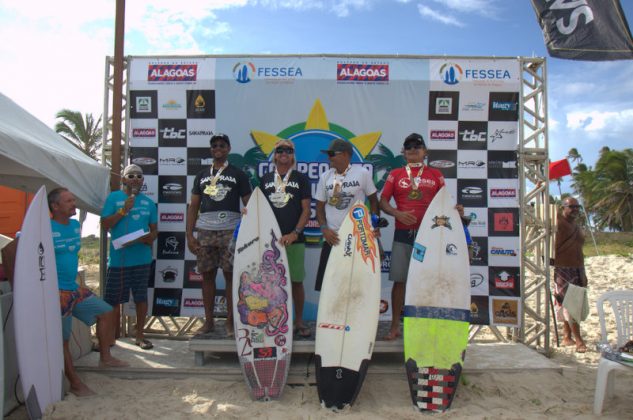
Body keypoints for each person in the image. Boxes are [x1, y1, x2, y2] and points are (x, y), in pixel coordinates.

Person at [379, 133, 464, 340]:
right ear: (403, 151)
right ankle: (394, 327)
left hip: (430, 236)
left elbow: (445, 201)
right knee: (400, 281)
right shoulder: (396, 174)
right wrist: (397, 213)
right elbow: (382, 201)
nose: (413, 149)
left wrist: (456, 210)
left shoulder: (435, 174)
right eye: (408, 146)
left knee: (429, 281)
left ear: (425, 152)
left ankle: (427, 325)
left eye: (418, 146)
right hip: (403, 234)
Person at [48, 187, 129, 397]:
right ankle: (75, 383)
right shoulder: (44, 227)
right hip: (56, 292)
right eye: (68, 201)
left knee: (106, 311)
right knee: (62, 340)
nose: (74, 204)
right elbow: (13, 249)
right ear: (55, 206)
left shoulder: (75, 225)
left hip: (73, 288)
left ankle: (105, 358)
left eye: (74, 199)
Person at [187, 133, 251, 336]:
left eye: (222, 145)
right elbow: (194, 206)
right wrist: (189, 235)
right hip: (205, 231)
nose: (218, 148)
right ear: (211, 150)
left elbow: (249, 205)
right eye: (214, 145)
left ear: (228, 149)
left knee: (231, 277)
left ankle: (231, 322)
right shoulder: (201, 175)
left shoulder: (239, 174)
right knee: (207, 276)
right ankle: (209, 322)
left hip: (230, 232)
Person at [101, 164, 158, 350]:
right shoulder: (113, 198)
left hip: (141, 259)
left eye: (139, 176)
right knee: (113, 300)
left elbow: (154, 231)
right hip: (118, 261)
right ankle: (110, 338)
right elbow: (105, 224)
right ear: (124, 179)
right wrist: (122, 211)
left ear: (142, 181)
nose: (135, 179)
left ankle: (140, 336)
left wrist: (147, 238)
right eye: (131, 175)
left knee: (141, 298)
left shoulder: (149, 203)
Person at [259, 139, 312, 337]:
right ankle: (274, 321)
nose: (284, 153)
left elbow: (307, 210)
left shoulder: (301, 178)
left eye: (288, 150)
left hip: (294, 240)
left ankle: (298, 322)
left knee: (296, 282)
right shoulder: (264, 179)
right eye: (280, 150)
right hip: (270, 242)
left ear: (293, 155)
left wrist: (294, 233)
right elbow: (259, 209)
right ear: (274, 155)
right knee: (271, 284)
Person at [314, 138, 380, 292]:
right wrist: (324, 229)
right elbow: (319, 207)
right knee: (328, 285)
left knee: (356, 284)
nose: (329, 158)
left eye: (332, 154)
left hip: (358, 236)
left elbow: (374, 202)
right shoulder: (325, 177)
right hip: (333, 238)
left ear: (345, 154)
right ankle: (330, 317)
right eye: (328, 154)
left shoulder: (362, 173)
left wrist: (375, 225)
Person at [553, 196, 588, 353]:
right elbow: (543, 209)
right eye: (571, 206)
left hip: (578, 268)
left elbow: (579, 251)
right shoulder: (558, 221)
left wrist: (583, 271)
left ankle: (567, 335)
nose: (575, 209)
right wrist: (538, 187)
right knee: (570, 304)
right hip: (563, 268)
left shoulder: (576, 225)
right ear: (563, 208)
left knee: (574, 303)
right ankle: (579, 340)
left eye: (577, 207)